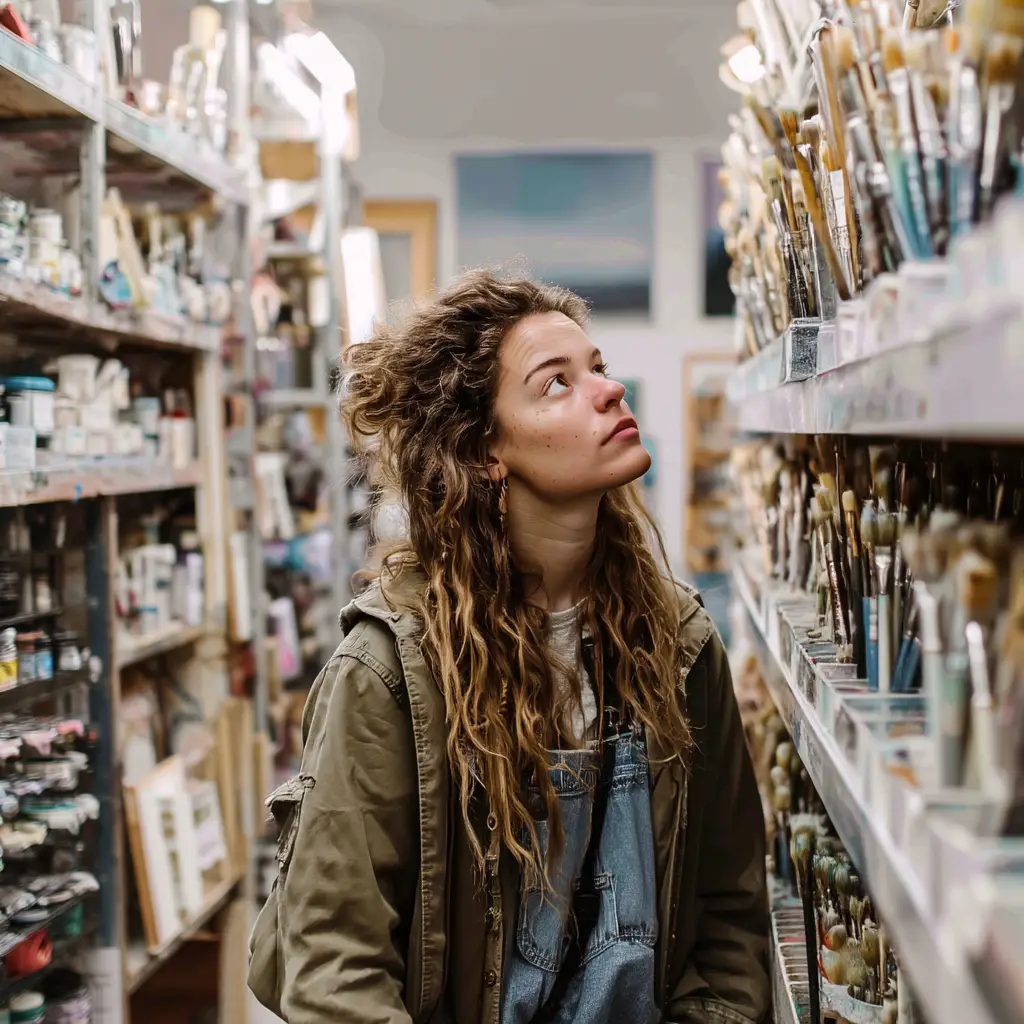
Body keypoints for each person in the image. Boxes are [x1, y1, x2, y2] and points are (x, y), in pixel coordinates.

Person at [248, 270, 770, 1024]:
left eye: (597, 367)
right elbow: (336, 969)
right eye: (556, 384)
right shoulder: (392, 673)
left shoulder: (679, 647)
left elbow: (729, 916)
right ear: (486, 451)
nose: (608, 391)